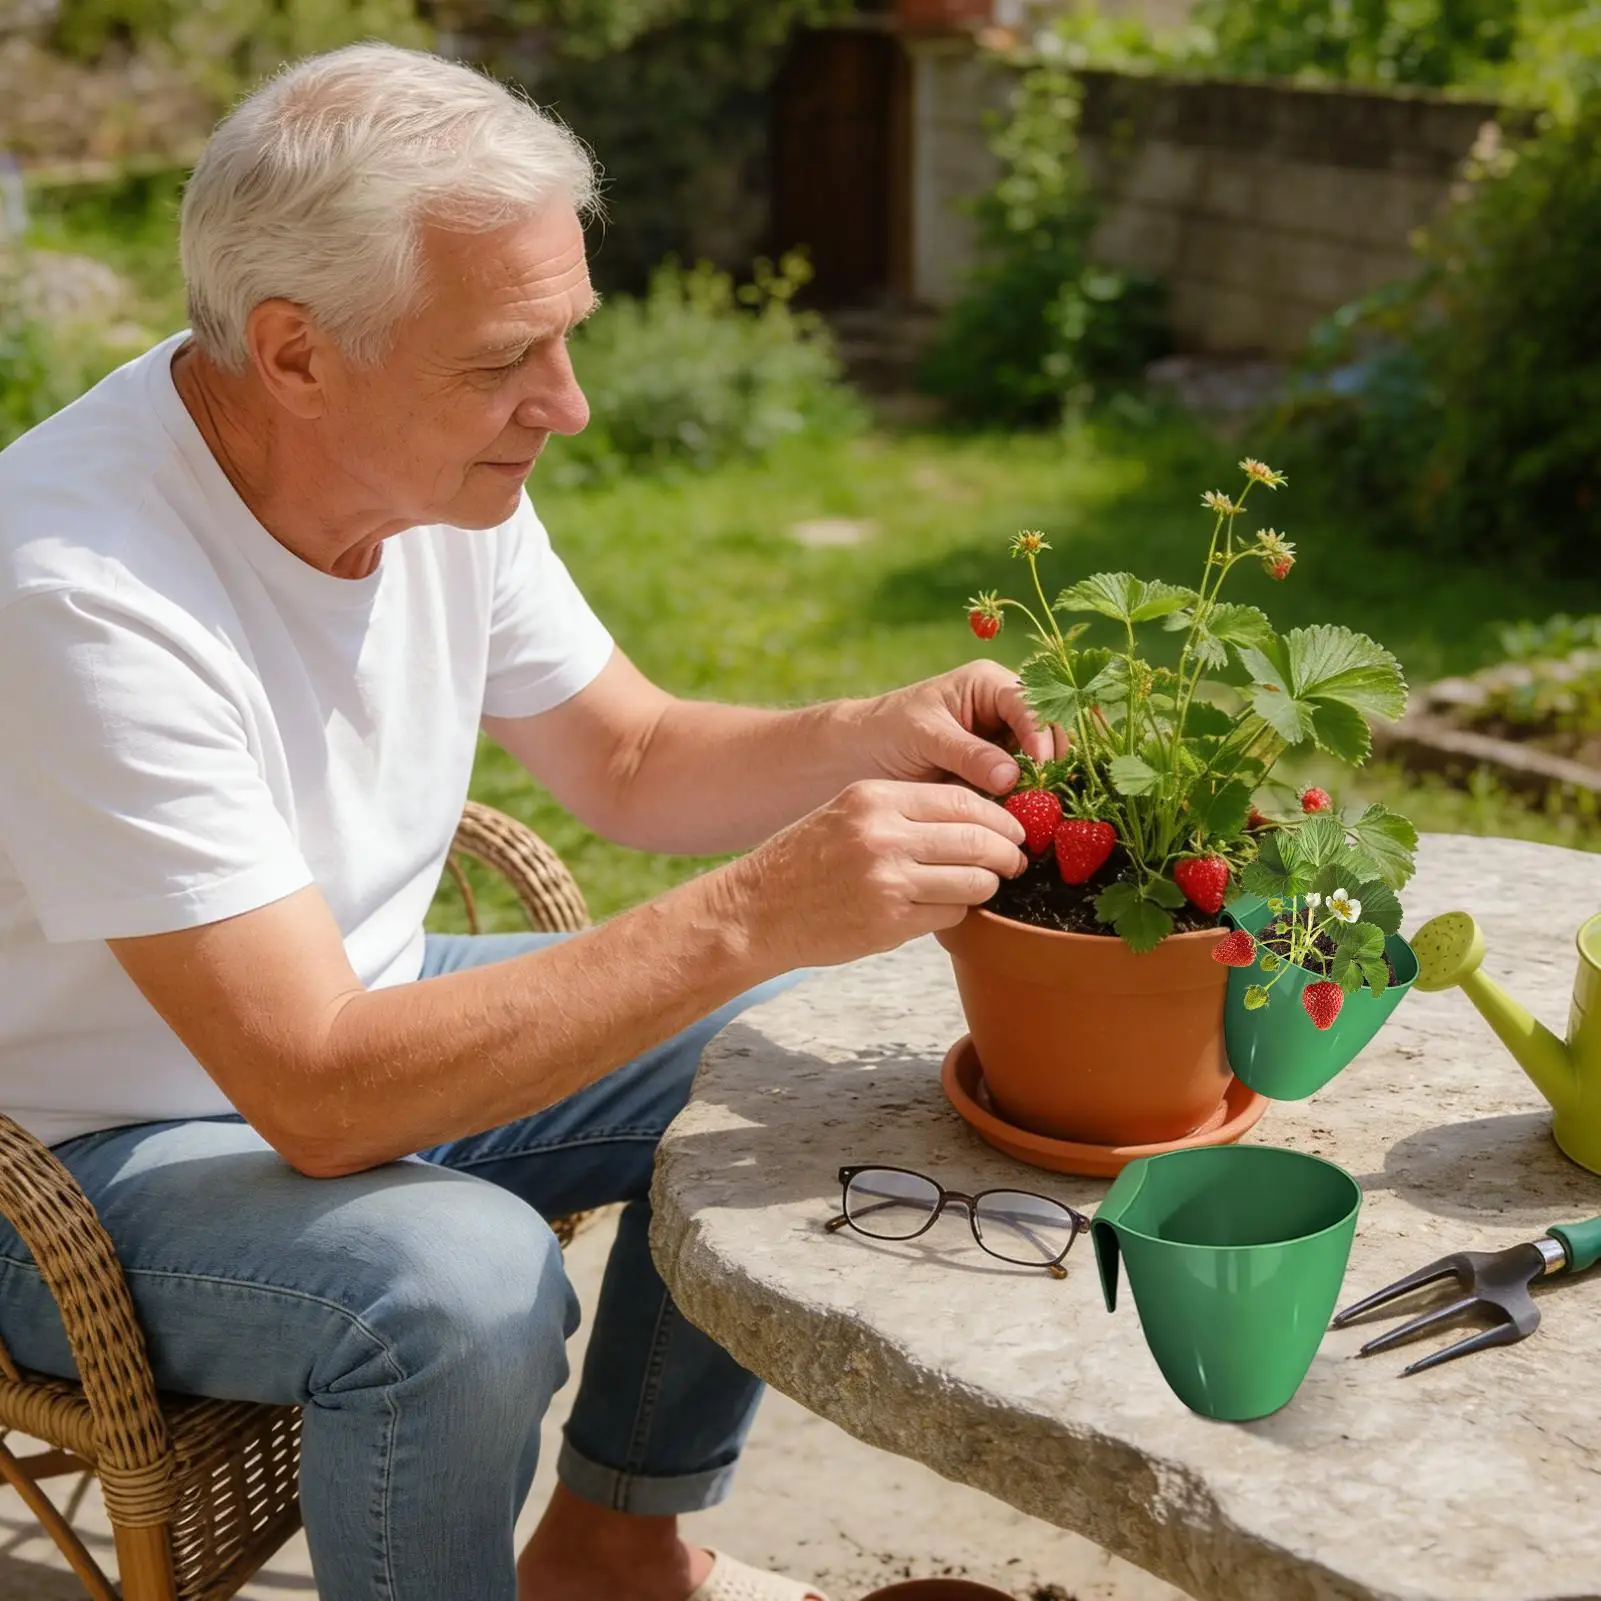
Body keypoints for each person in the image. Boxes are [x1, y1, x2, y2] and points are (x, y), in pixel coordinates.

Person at [0, 42, 1049, 1601]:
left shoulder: (414, 454)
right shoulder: (80, 592)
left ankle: (611, 1547)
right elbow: (317, 1095)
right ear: (295, 354)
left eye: (566, 337)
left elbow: (625, 757)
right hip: (83, 1156)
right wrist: (749, 909)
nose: (560, 403)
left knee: (780, 1057)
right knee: (459, 1284)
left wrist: (869, 735)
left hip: (351, 1017)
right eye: (506, 358)